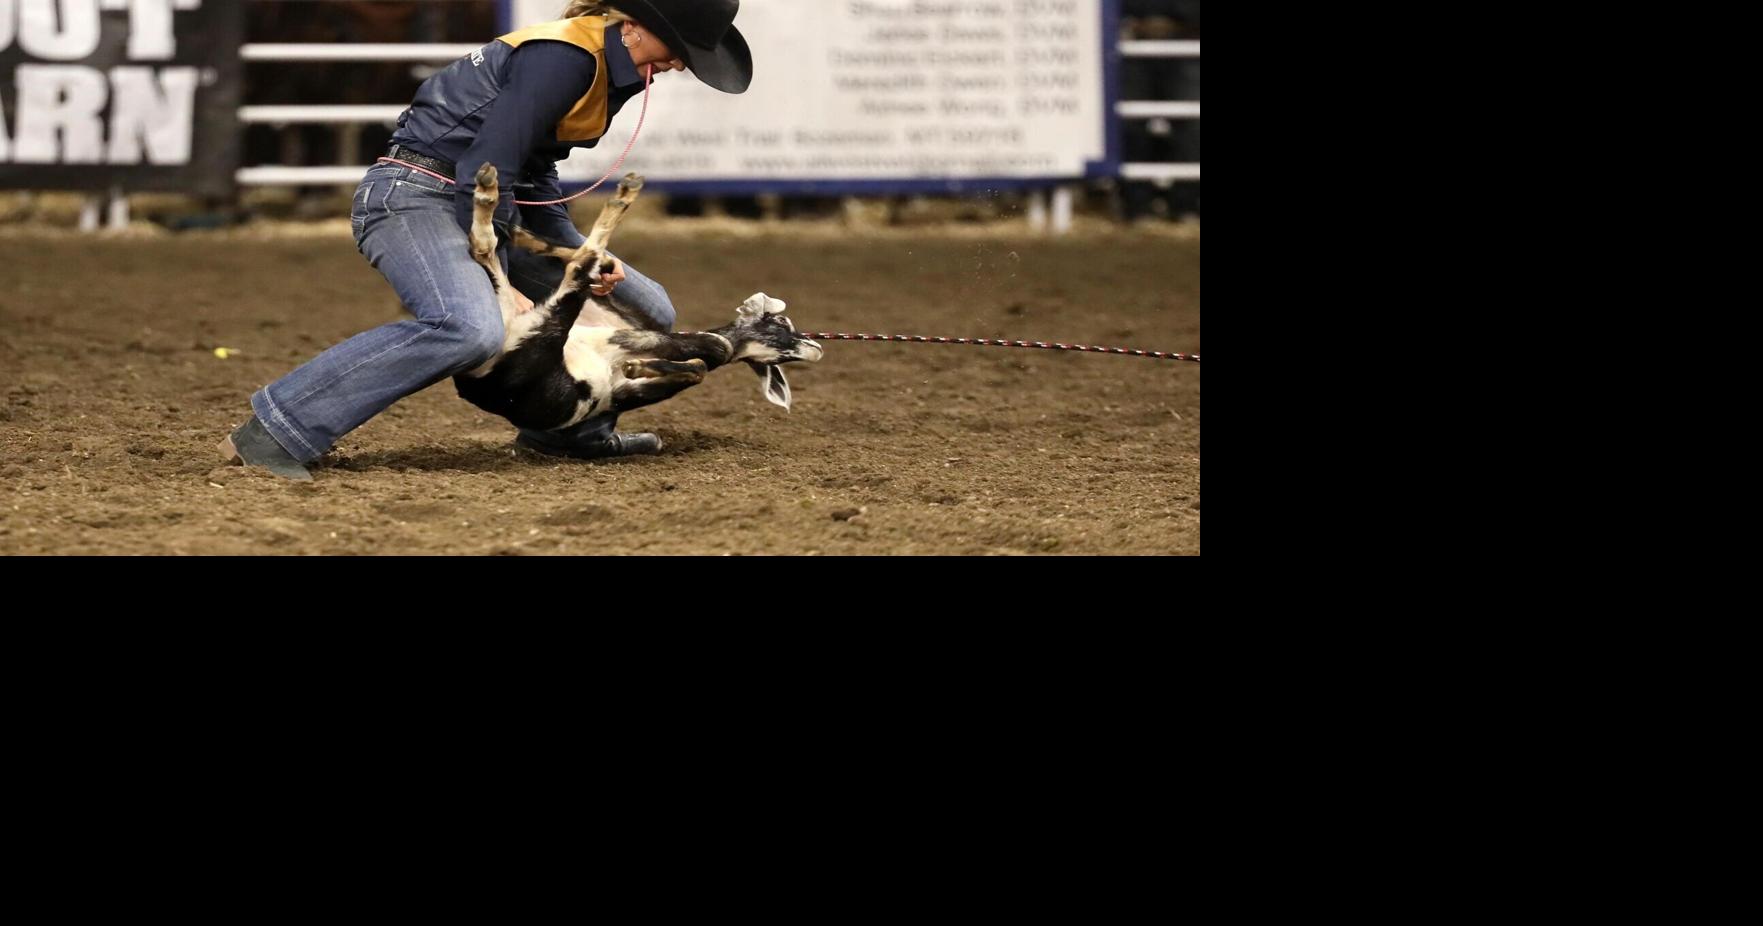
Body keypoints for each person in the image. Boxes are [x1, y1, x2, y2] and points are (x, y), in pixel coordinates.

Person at [220, 0, 753, 480]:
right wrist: (496, 271)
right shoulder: (565, 57)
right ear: (633, 26)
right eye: (680, 51)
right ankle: (278, 429)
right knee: (467, 328)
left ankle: (566, 432)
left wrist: (577, 254)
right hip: (414, 195)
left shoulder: (608, 65)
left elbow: (534, 169)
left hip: (485, 202)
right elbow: (488, 165)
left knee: (645, 308)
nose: (680, 65)